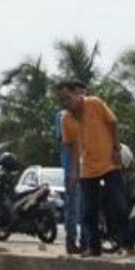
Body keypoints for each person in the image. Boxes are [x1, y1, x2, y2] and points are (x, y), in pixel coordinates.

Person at [57, 79, 135, 256]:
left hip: (109, 164)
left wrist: (116, 149)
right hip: (88, 169)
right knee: (89, 212)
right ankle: (94, 248)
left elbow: (113, 123)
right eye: (61, 100)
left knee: (119, 205)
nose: (65, 103)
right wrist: (74, 171)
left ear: (77, 95)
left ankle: (129, 245)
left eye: (67, 98)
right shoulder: (66, 120)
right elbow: (74, 147)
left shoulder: (95, 104)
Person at [56, 80, 88, 254]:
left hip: (88, 168)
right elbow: (69, 144)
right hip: (72, 169)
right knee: (73, 208)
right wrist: (73, 170)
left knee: (86, 208)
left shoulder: (89, 112)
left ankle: (85, 242)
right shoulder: (64, 117)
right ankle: (71, 242)